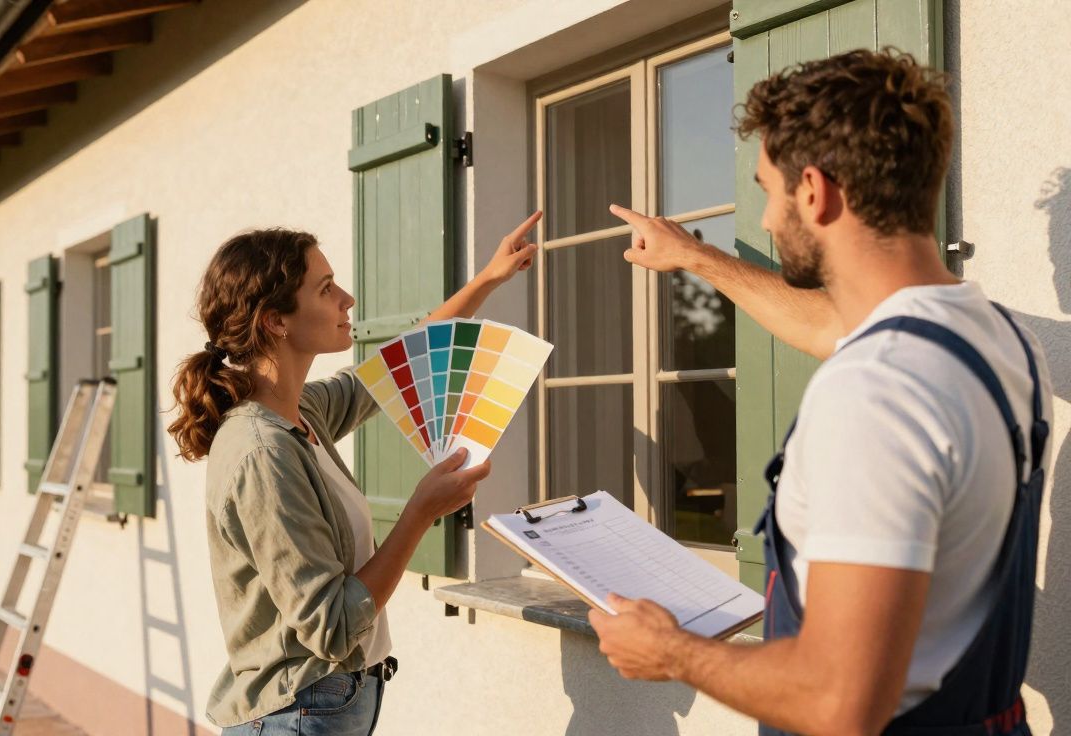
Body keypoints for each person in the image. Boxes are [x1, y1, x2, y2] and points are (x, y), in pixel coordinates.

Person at [590, 49, 1052, 735]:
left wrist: (671, 652)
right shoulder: (998, 340)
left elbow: (839, 702)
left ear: (814, 190)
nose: (769, 220)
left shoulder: (875, 392)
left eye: (768, 190)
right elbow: (836, 325)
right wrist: (692, 255)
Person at [168, 213, 541, 735]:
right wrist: (421, 513)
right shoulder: (263, 452)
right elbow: (333, 625)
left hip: (332, 702)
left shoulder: (302, 412)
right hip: (297, 713)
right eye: (325, 289)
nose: (347, 299)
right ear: (276, 320)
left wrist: (486, 280)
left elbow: (401, 362)